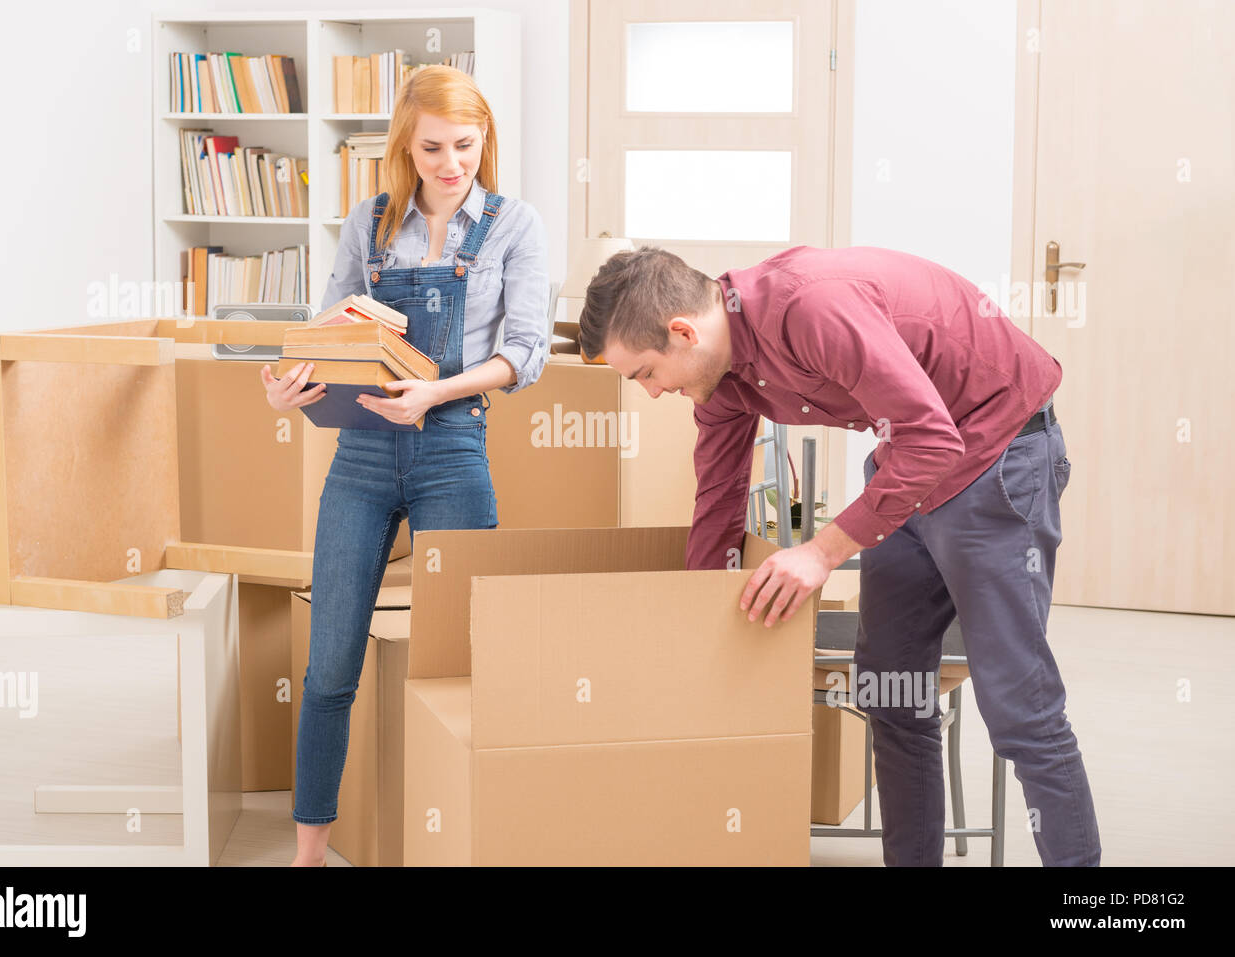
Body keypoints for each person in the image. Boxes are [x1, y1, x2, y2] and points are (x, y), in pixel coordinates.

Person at [577, 244, 1101, 867]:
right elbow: (718, 498)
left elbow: (933, 438)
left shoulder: (809, 307)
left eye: (643, 375)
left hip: (996, 450)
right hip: (909, 465)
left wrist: (822, 552)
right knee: (891, 691)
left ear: (682, 332)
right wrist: (697, 622)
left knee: (1018, 708)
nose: (653, 393)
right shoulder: (717, 375)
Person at [260, 65, 549, 867]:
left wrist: (435, 392)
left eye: (464, 145)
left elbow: (524, 355)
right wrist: (292, 383)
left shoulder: (513, 226)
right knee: (328, 667)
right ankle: (308, 853)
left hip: (454, 447)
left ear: (485, 139)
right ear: (404, 144)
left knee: (460, 663)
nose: (450, 163)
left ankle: (462, 840)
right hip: (359, 451)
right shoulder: (370, 223)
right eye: (431, 148)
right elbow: (331, 328)